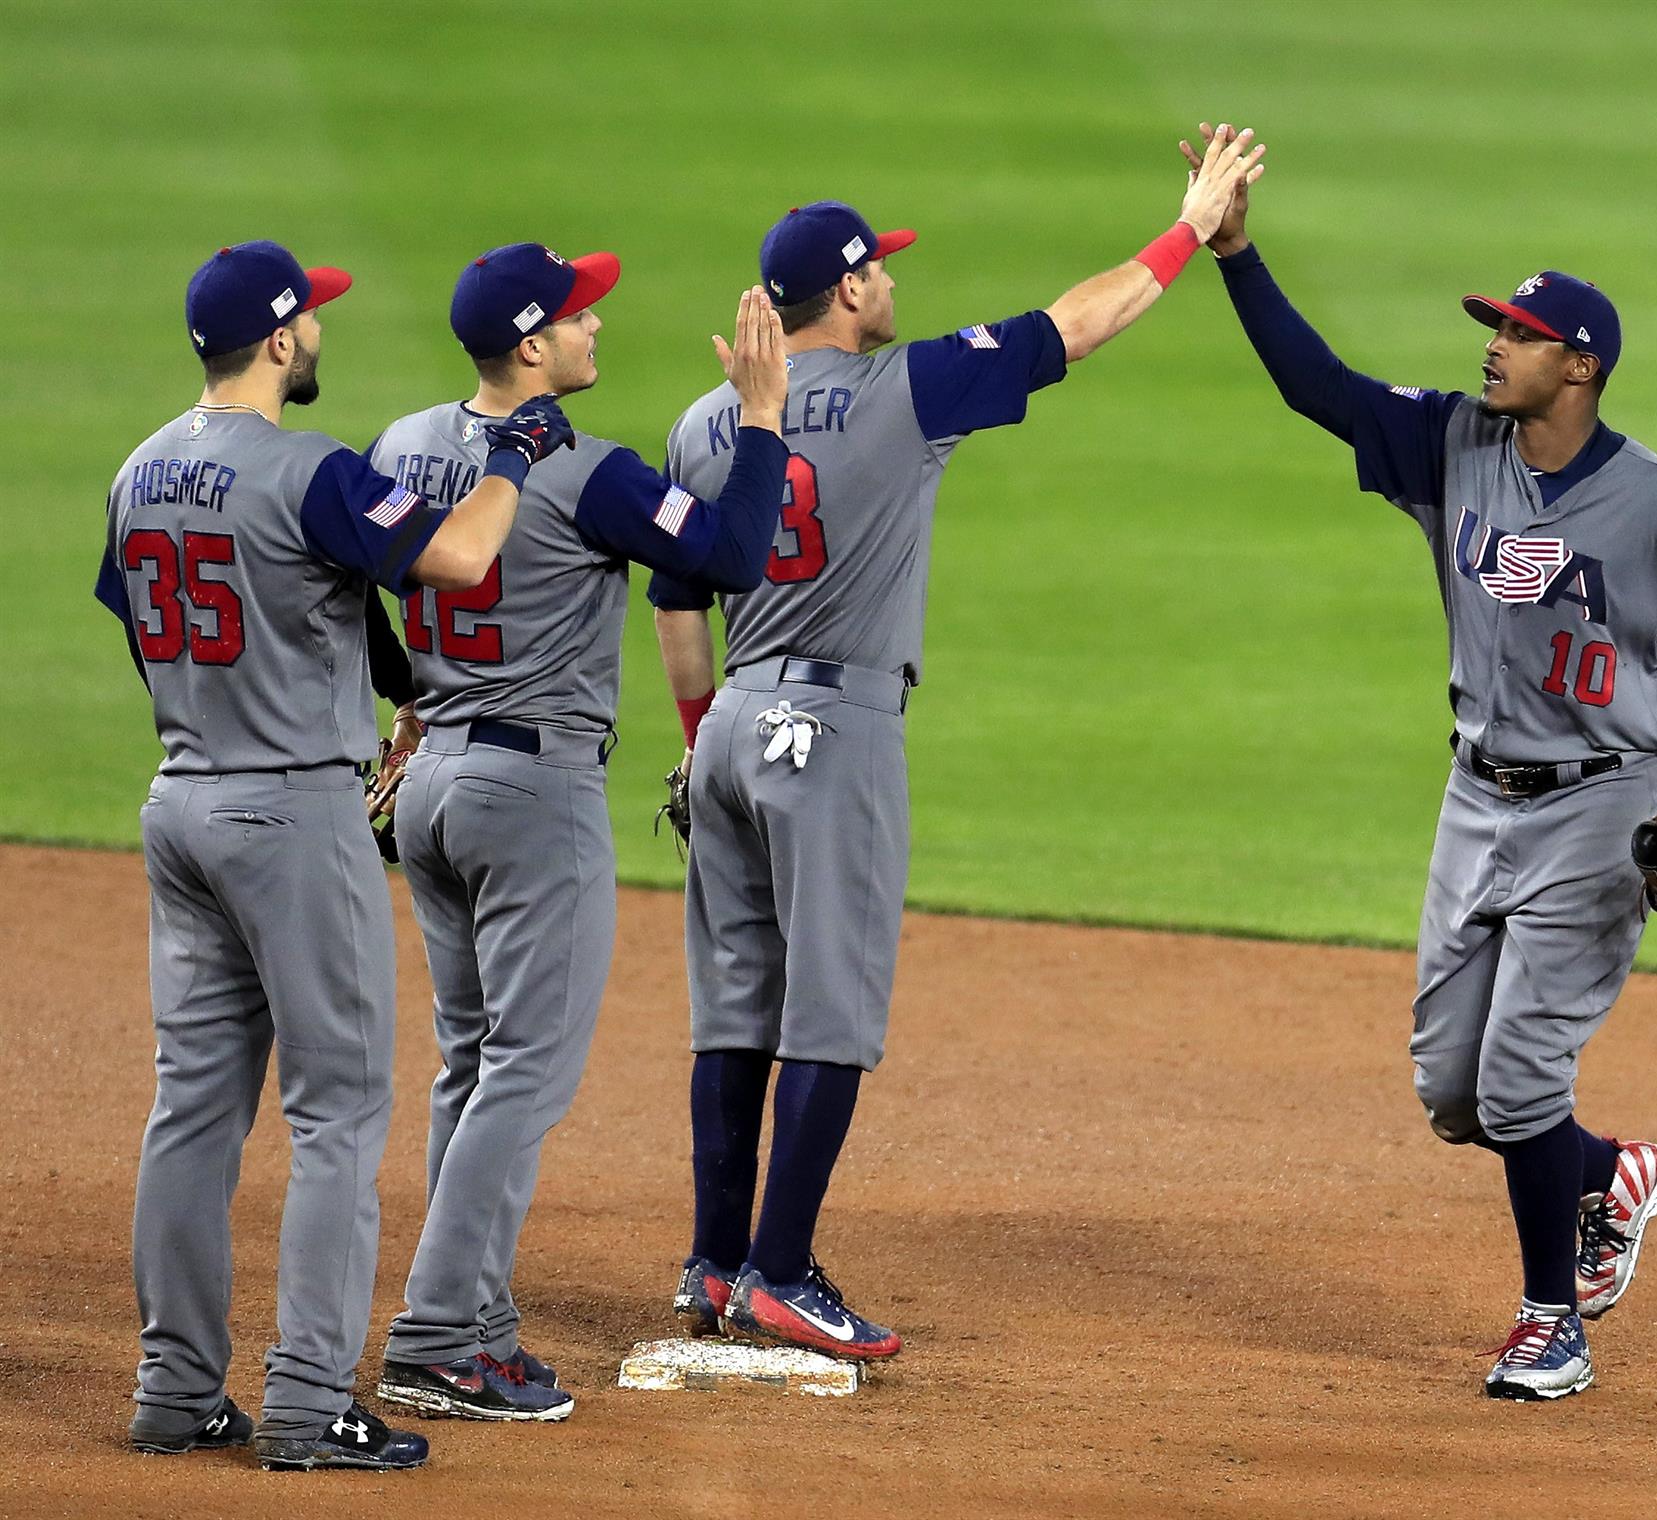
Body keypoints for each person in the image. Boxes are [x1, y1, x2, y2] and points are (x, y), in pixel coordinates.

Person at [1181, 125, 1657, 1399]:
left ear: (1582, 365)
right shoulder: (1453, 442)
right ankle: (1612, 1169)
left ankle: (1548, 1319)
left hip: (1603, 810)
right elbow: (1323, 389)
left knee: (1522, 1075)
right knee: (1455, 1094)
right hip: (1477, 798)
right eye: (1495, 329)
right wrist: (1234, 256)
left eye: (1518, 334)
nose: (1493, 346)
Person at [651, 125, 1264, 1360]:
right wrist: (1193, 225)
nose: (894, 285)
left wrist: (698, 732)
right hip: (832, 728)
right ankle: (777, 1271)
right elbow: (1078, 322)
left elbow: (675, 603)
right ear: (852, 287)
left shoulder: (702, 423)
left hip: (723, 730)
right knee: (830, 1011)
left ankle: (715, 1262)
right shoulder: (904, 387)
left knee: (733, 1007)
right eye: (882, 270)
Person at [94, 239, 572, 1470]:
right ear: (278, 340)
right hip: (292, 815)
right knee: (339, 1112)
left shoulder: (136, 468)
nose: (320, 333)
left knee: (192, 1108)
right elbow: (460, 555)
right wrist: (512, 454)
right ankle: (310, 1400)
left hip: (180, 800)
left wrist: (368, 672)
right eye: (310, 321)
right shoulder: (310, 470)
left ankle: (174, 1387)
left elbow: (173, 619)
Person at [364, 245, 792, 1421]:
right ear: (530, 345)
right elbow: (732, 556)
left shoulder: (397, 444)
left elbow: (352, 579)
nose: (597, 321)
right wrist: (762, 419)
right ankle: (440, 1336)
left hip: (434, 785)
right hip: (530, 798)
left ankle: (480, 1322)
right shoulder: (593, 472)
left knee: (473, 1062)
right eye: (578, 313)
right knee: (524, 1075)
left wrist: (403, 698)